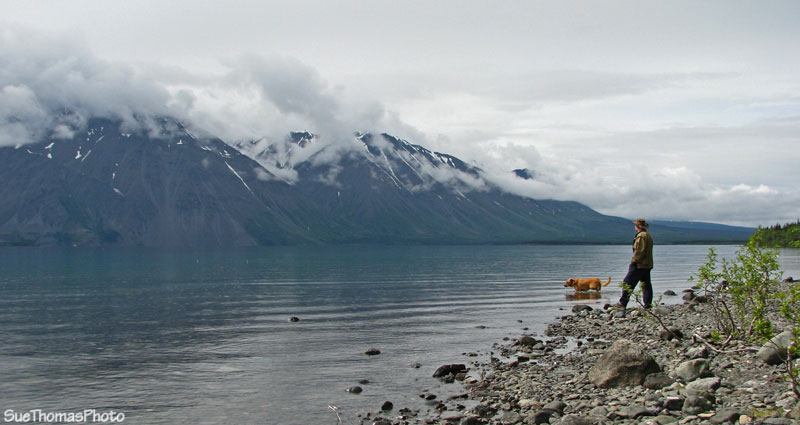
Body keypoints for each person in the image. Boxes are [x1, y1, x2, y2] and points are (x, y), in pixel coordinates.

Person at [615, 218, 654, 309]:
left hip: (639, 264)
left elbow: (639, 252)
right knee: (646, 285)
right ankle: (648, 305)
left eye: (635, 225)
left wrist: (634, 261)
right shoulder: (648, 235)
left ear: (637, 226)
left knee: (627, 282)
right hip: (647, 264)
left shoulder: (641, 236)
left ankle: (622, 303)